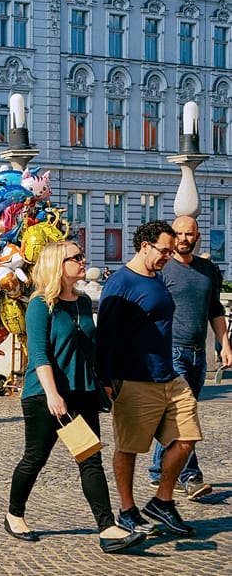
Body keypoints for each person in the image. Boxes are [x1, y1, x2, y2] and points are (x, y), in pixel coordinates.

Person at [5, 241, 145, 553]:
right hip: (46, 395)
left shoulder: (82, 303)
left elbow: (89, 347)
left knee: (89, 459)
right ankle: (14, 514)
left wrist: (103, 381)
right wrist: (53, 395)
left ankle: (108, 528)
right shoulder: (41, 304)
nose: (84, 261)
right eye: (76, 257)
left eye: (82, 255)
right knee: (35, 458)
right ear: (59, 264)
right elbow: (40, 354)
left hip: (82, 394)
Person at [96, 220, 203, 537]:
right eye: (164, 251)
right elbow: (106, 337)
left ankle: (162, 501)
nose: (168, 257)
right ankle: (127, 510)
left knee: (187, 439)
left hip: (169, 376)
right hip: (134, 379)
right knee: (128, 448)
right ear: (145, 246)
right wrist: (106, 380)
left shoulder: (156, 277)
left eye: (170, 252)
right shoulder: (120, 283)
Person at [148, 214, 232, 499]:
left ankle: (159, 470)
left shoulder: (208, 270)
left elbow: (215, 311)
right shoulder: (162, 269)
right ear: (172, 235)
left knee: (175, 415)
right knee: (185, 415)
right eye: (179, 234)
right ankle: (189, 475)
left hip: (198, 353)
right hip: (171, 351)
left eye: (190, 234)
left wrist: (225, 344)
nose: (184, 239)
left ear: (197, 236)